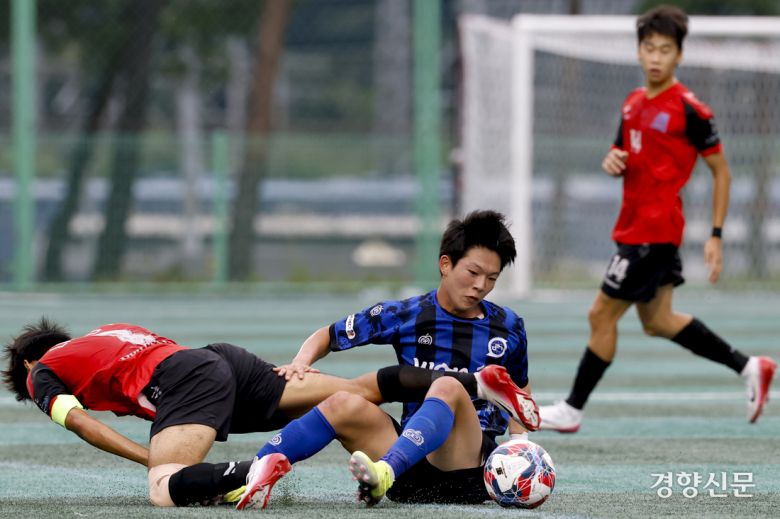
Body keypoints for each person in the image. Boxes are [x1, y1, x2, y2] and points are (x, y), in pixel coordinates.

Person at [538, 5, 776, 433]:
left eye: (665, 50)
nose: (656, 57)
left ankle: (572, 408)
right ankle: (749, 367)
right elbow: (621, 156)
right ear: (639, 50)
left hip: (654, 230)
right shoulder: (631, 103)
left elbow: (722, 172)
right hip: (632, 226)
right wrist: (612, 161)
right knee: (659, 321)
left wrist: (717, 235)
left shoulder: (691, 110)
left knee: (600, 315)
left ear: (679, 55)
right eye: (649, 48)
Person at [235, 209, 541, 509]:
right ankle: (249, 476)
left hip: (465, 469)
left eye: (492, 278)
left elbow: (519, 395)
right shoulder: (406, 313)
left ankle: (384, 472)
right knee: (342, 402)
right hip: (410, 468)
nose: (481, 286)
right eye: (473, 273)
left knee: (447, 387)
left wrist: (519, 446)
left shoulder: (509, 326)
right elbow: (328, 334)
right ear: (445, 264)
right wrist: (301, 361)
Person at [1, 319, 383, 507]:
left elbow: (81, 422)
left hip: (189, 379)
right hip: (220, 361)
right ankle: (434, 391)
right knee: (357, 393)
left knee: (163, 486)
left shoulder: (40, 371)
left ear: (30, 364)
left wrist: (150, 460)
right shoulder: (109, 333)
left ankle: (250, 469)